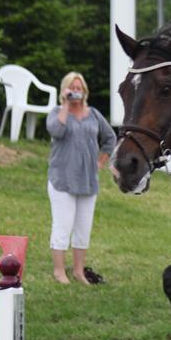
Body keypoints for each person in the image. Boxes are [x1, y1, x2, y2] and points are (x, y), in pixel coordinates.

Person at [46, 71, 116, 285]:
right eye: (72, 88)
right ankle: (59, 271)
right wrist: (66, 106)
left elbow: (110, 138)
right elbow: (55, 131)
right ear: (65, 90)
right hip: (62, 179)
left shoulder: (93, 114)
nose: (76, 91)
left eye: (79, 88)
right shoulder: (57, 112)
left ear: (84, 91)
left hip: (88, 180)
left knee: (83, 228)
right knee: (62, 226)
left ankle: (78, 271)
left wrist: (101, 162)